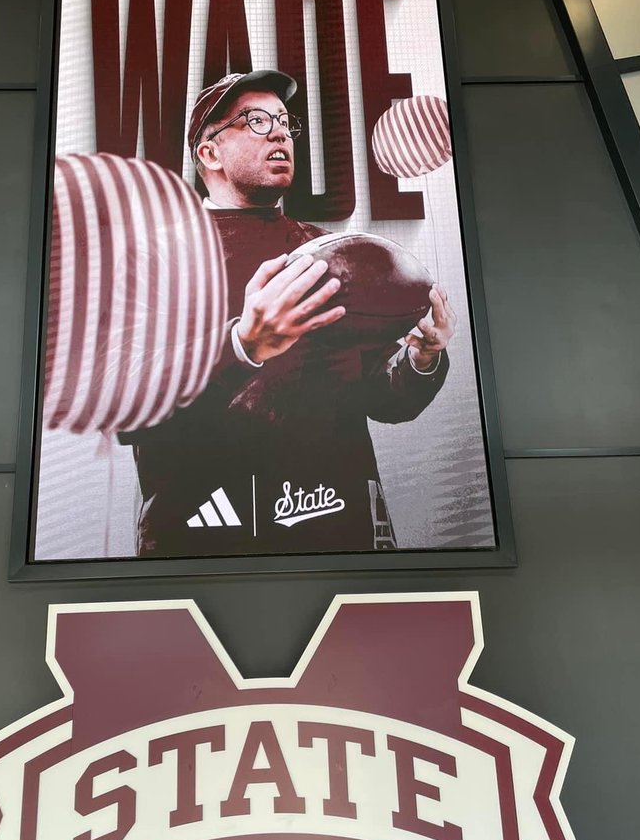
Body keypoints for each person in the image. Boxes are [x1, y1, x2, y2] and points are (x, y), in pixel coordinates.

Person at [123, 70, 456, 557]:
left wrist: (420, 360)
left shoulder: (329, 251)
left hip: (337, 532)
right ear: (209, 153)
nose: (279, 132)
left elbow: (383, 398)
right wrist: (241, 345)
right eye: (255, 121)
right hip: (205, 538)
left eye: (283, 121)